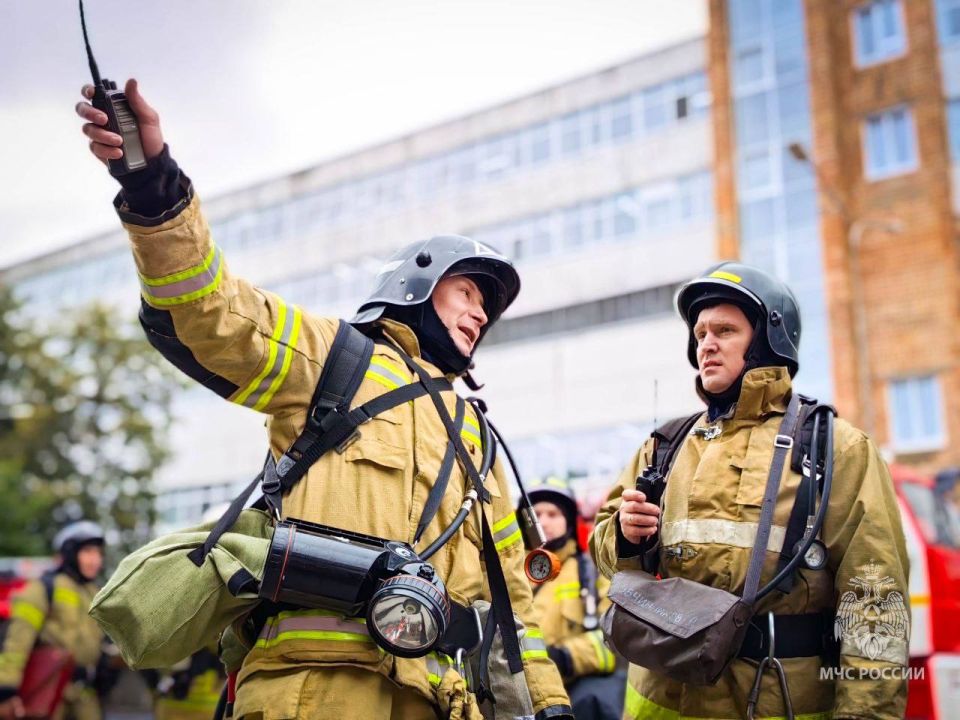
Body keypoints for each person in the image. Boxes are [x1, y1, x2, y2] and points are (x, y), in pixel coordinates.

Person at [74, 80, 570, 720]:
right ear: (415, 284)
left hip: (436, 703)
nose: (481, 314)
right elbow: (212, 310)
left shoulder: (474, 435)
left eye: (487, 307)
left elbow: (511, 610)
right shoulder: (338, 359)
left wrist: (548, 706)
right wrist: (153, 183)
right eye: (470, 291)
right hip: (311, 694)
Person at [590, 262, 910, 720]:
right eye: (699, 334)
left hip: (777, 699)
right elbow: (604, 550)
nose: (707, 344)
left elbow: (874, 600)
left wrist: (865, 713)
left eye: (725, 330)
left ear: (767, 340)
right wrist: (624, 536)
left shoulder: (835, 446)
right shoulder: (665, 445)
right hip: (663, 701)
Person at [525, 477, 624, 720]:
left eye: (553, 513)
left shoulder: (591, 572)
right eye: (536, 513)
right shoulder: (509, 575)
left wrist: (565, 658)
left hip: (573, 697)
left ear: (568, 519)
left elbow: (617, 639)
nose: (544, 522)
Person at [0, 521, 107, 720]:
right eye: (88, 552)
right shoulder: (42, 588)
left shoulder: (94, 593)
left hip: (85, 696)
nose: (96, 560)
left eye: (99, 553)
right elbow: (17, 643)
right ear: (69, 553)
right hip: (49, 693)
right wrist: (6, 689)